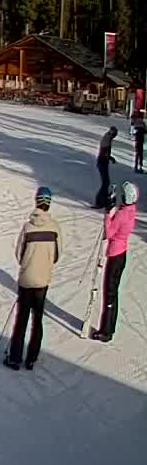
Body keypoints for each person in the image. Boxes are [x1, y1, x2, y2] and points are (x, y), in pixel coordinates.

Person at [5, 186, 61, 370]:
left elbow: (19, 253)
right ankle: (31, 358)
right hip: (43, 280)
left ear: (37, 202)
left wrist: (27, 265)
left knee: (21, 319)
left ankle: (15, 358)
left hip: (27, 278)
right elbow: (57, 254)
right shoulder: (55, 227)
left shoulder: (28, 227)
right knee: (37, 320)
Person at [92, 181, 137, 342]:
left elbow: (110, 232)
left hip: (115, 253)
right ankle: (109, 327)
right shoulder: (131, 211)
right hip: (122, 252)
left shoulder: (122, 214)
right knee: (114, 293)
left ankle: (106, 331)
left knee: (109, 293)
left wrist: (107, 214)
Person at [95, 126, 117, 208]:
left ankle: (103, 200)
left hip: (103, 161)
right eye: (115, 134)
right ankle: (99, 201)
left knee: (106, 182)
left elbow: (105, 152)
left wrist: (110, 158)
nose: (115, 136)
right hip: (102, 162)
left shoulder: (108, 137)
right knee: (105, 182)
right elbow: (104, 152)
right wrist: (109, 158)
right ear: (112, 133)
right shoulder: (107, 139)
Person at [132, 108, 144, 172]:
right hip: (141, 139)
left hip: (137, 139)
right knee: (140, 154)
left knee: (137, 153)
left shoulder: (135, 122)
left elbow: (133, 131)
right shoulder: (142, 123)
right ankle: (140, 167)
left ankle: (136, 167)